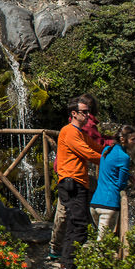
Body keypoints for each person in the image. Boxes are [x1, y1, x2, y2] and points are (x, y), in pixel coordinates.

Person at [48, 94, 103, 259]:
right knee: (69, 217)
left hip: (78, 180)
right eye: (84, 112)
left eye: (88, 111)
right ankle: (63, 255)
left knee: (73, 218)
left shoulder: (81, 133)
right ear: (74, 113)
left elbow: (96, 146)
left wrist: (111, 150)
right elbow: (87, 152)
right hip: (69, 180)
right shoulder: (69, 132)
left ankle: (65, 255)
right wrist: (110, 160)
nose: (87, 115)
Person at [89, 125, 135, 239]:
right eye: (133, 139)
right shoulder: (124, 157)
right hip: (109, 205)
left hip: (95, 204)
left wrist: (128, 175)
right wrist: (129, 181)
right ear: (123, 139)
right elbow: (120, 184)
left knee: (101, 241)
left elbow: (109, 170)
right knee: (103, 246)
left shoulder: (106, 150)